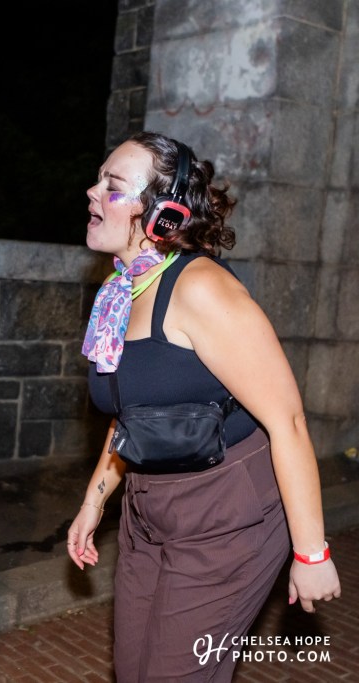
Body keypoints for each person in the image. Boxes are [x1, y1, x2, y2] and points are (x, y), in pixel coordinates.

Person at [66, 132, 341, 681]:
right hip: (149, 507)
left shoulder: (201, 290)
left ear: (163, 214)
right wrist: (96, 501)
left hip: (228, 513)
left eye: (113, 186)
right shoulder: (119, 293)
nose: (93, 193)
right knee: (133, 671)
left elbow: (287, 421)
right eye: (99, 180)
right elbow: (132, 413)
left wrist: (311, 553)